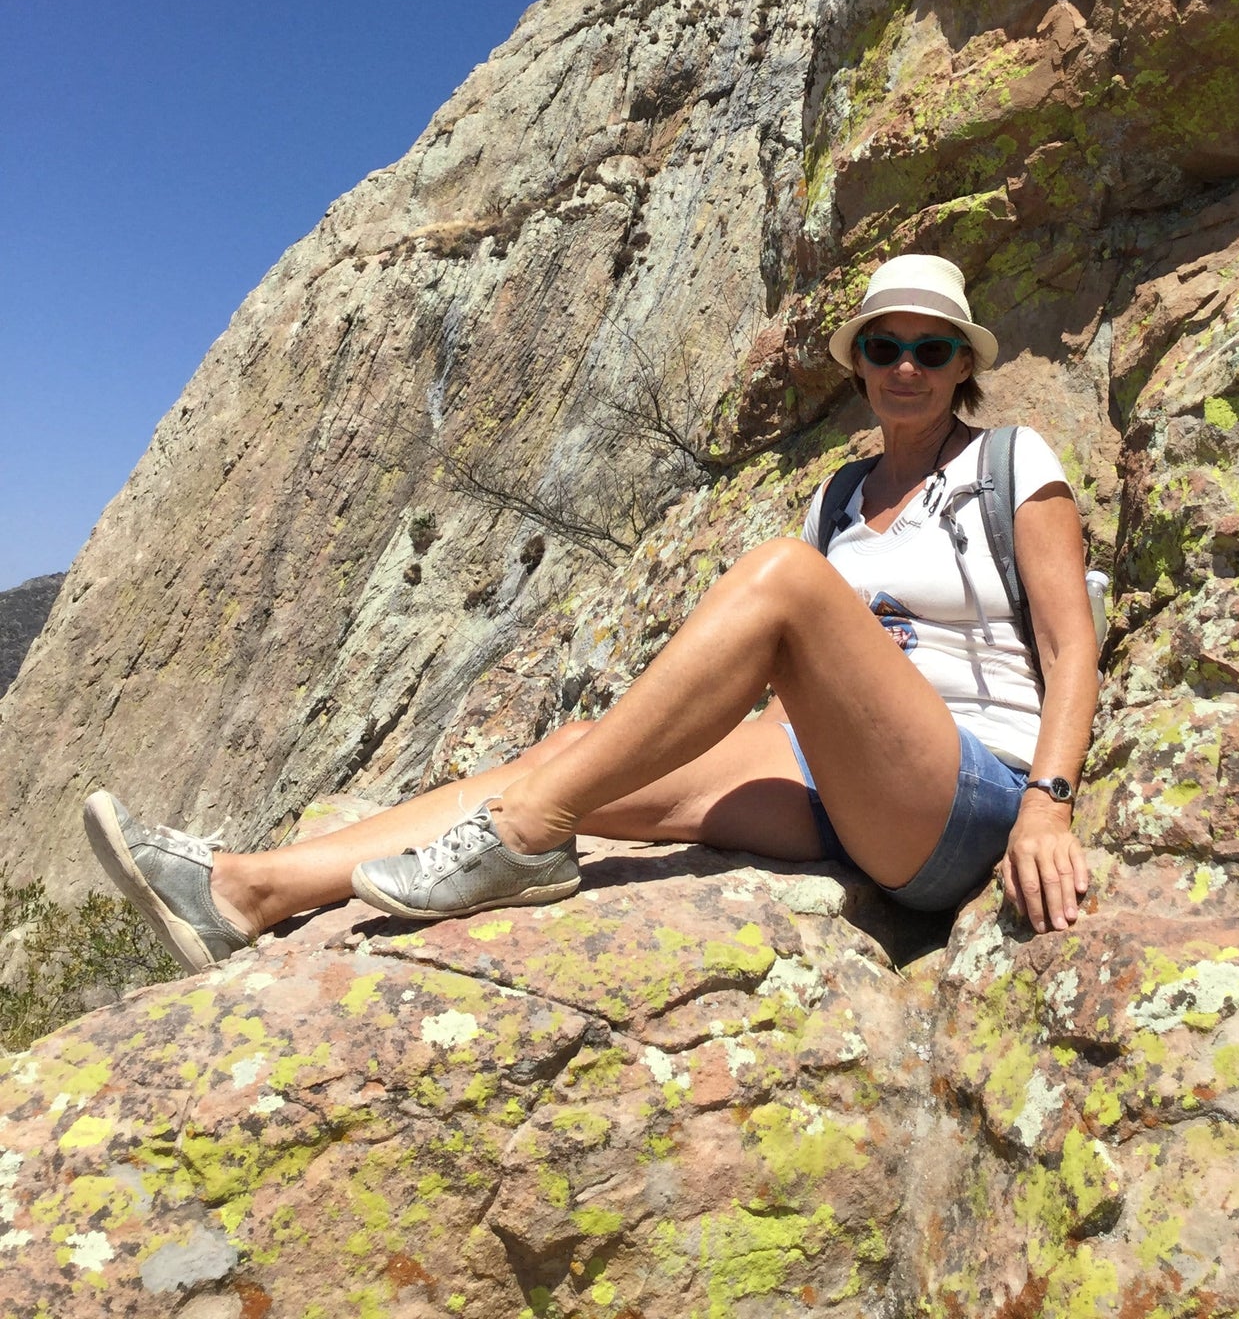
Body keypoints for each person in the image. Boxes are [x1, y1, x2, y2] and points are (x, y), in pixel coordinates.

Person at [85, 254, 1099, 974]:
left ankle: (528, 834)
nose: (907, 366)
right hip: (837, 785)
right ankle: (248, 889)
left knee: (785, 579)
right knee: (576, 746)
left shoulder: (1012, 464)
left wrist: (1047, 803)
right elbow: (829, 693)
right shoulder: (838, 495)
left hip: (968, 794)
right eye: (886, 345)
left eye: (931, 346)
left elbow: (1069, 644)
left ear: (964, 362)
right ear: (863, 362)